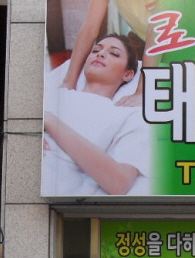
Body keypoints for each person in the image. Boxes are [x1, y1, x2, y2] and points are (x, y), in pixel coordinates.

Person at [42, 0, 150, 196]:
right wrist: (69, 80)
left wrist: (142, 91)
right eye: (95, 51)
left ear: (128, 75)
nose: (100, 55)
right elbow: (90, 27)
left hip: (177, 33)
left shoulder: (128, 117)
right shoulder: (52, 97)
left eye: (114, 54)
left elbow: (120, 183)